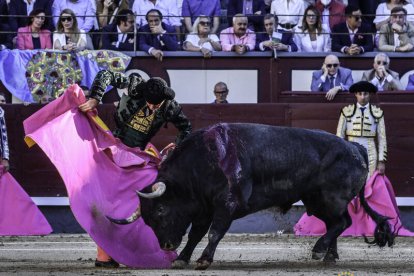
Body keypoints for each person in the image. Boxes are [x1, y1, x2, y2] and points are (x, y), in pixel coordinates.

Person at [78, 70, 191, 267]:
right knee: (105, 202)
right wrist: (96, 97)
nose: (151, 107)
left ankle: (150, 249)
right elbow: (106, 74)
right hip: (114, 149)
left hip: (139, 156)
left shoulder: (170, 107)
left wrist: (176, 144)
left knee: (150, 198)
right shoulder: (135, 85)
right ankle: (104, 256)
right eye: (148, 102)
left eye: (156, 105)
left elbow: (186, 127)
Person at [295, 81, 414, 237]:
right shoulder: (346, 112)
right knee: (348, 188)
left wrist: (381, 161)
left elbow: (382, 139)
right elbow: (338, 138)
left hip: (371, 153)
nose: (363, 97)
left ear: (369, 95)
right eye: (360, 94)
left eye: (365, 94)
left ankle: (370, 226)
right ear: (356, 95)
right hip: (350, 153)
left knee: (371, 189)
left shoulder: (378, 113)